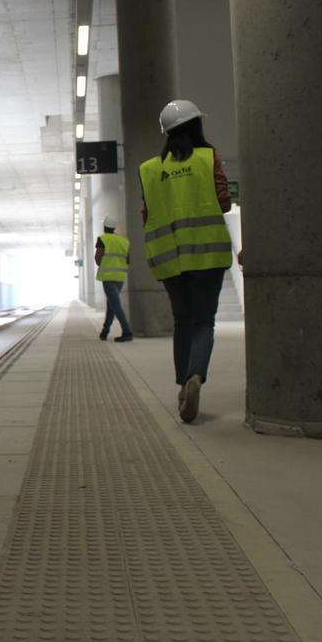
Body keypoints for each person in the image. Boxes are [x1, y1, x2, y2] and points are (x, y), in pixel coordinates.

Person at [138, 99, 232, 423]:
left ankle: (182, 386)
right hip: (207, 255)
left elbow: (146, 215)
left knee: (183, 322)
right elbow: (223, 201)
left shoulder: (150, 170)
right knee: (204, 322)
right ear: (197, 126)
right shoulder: (208, 158)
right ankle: (195, 377)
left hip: (171, 261)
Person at [95, 216, 134, 343]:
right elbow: (128, 260)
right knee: (111, 304)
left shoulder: (103, 239)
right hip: (120, 277)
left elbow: (98, 259)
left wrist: (106, 263)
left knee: (115, 304)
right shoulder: (124, 241)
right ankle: (104, 332)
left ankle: (127, 332)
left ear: (104, 227)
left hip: (108, 277)